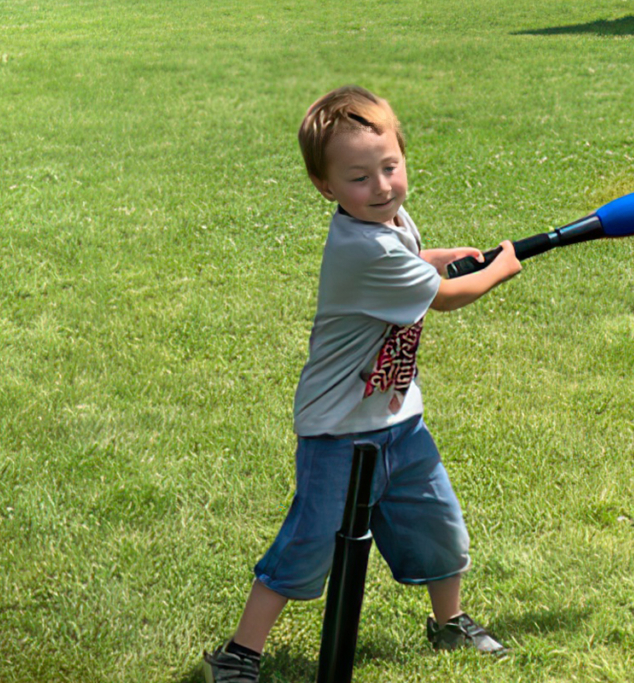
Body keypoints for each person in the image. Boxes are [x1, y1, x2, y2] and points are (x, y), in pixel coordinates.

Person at [202, 85, 522, 683]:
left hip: (401, 420)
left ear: (403, 155)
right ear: (325, 188)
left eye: (389, 167)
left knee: (437, 526)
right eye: (358, 178)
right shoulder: (358, 247)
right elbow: (446, 300)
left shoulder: (390, 221)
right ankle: (240, 654)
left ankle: (448, 622)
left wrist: (437, 256)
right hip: (339, 435)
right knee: (308, 544)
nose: (380, 187)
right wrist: (499, 269)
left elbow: (412, 263)